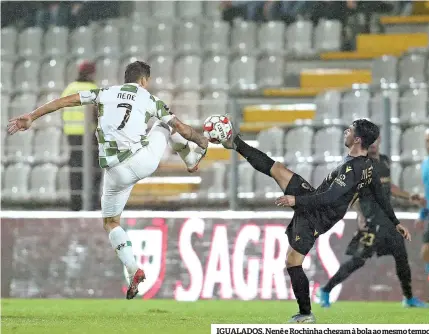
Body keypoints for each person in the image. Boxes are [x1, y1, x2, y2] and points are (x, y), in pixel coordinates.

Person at [7, 60, 209, 300]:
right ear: (144, 80)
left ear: (126, 78)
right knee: (165, 125)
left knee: (111, 222)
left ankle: (132, 267)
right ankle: (190, 161)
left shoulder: (104, 93)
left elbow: (65, 101)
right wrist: (201, 140)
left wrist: (31, 116)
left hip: (114, 172)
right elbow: (182, 129)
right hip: (141, 161)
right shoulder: (148, 99)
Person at [221, 119, 411, 323]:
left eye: (350, 129)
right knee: (277, 170)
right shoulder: (368, 166)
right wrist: (396, 221)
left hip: (318, 216)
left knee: (293, 261)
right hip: (315, 199)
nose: (346, 130)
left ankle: (305, 313)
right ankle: (234, 142)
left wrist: (296, 200)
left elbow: (329, 198)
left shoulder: (352, 170)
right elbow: (381, 195)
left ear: (357, 139)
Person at [318, 136, 427, 308]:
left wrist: (410, 197)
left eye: (375, 140)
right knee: (358, 261)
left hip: (388, 222)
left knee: (402, 258)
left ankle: (409, 298)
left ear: (380, 140)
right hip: (371, 221)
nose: (373, 144)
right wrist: (360, 216)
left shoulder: (384, 161)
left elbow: (390, 187)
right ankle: (325, 290)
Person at [61, 61, 100, 211]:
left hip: (72, 134)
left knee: (76, 169)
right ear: (91, 73)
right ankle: (92, 202)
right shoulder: (93, 89)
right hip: (89, 135)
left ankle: (75, 203)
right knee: (94, 169)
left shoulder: (69, 89)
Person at [415, 129, 429, 284]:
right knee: (426, 252)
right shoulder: (425, 164)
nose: (428, 144)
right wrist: (421, 215)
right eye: (426, 141)